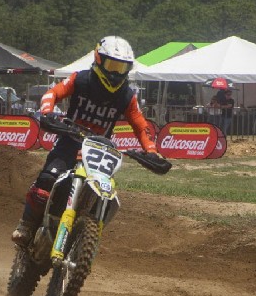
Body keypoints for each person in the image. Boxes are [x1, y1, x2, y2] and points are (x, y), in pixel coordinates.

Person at [11, 36, 161, 247]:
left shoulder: (126, 96)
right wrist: (47, 112)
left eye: (122, 68)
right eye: (112, 66)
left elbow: (140, 124)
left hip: (100, 150)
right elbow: (53, 93)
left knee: (104, 193)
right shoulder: (81, 79)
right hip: (70, 141)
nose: (116, 73)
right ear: (98, 59)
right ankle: (26, 225)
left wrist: (151, 150)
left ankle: (83, 236)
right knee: (46, 180)